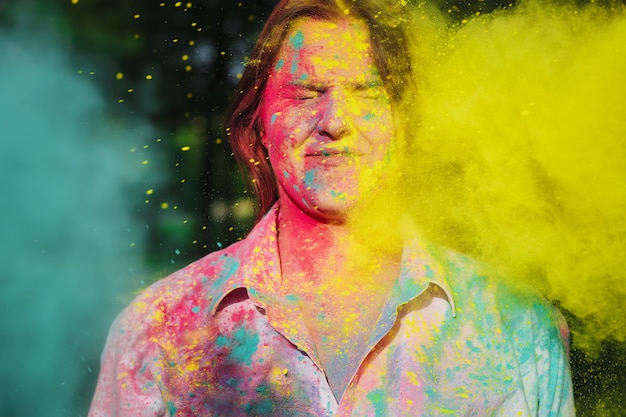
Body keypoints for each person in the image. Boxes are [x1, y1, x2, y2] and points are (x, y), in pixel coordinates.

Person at [88, 0, 575, 415]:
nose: (335, 121)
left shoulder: (515, 329)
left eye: (368, 92)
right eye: (305, 93)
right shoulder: (160, 333)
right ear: (257, 123)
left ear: (406, 123)